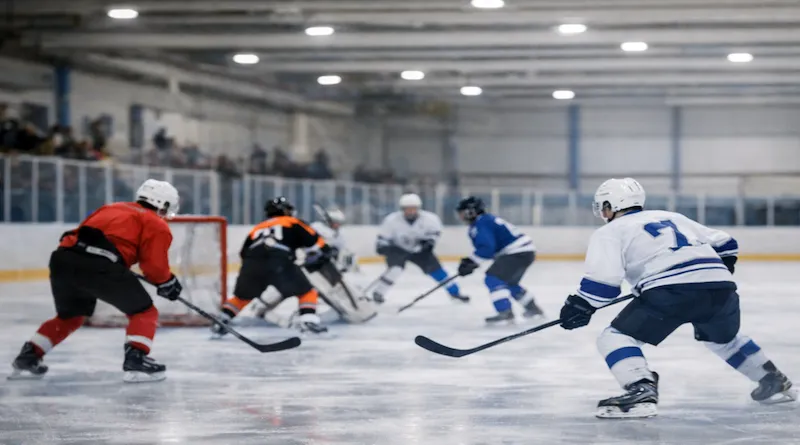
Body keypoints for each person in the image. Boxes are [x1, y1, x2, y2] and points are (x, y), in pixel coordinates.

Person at [558, 177, 796, 419]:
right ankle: (772, 379)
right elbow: (726, 243)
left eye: (604, 206)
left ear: (611, 205)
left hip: (671, 292)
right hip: (721, 288)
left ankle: (641, 389)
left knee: (613, 338)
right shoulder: (673, 217)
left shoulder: (610, 231)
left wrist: (579, 305)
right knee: (723, 340)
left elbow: (604, 284)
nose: (603, 212)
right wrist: (715, 270)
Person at [9, 179, 182, 383]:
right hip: (99, 265)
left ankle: (29, 357)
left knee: (71, 316)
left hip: (63, 259)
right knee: (144, 311)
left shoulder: (111, 207)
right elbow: (154, 266)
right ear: (163, 204)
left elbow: (85, 233)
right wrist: (167, 282)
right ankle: (136, 361)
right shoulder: (156, 223)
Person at [211, 197, 332, 336]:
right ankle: (308, 322)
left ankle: (221, 321)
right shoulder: (292, 222)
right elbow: (315, 241)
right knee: (306, 292)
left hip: (251, 264)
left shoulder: (257, 228)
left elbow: (244, 253)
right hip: (279, 261)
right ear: (284, 211)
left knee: (241, 297)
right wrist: (327, 251)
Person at [455, 196, 543, 324]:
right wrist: (471, 262)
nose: (461, 216)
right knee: (509, 283)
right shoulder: (486, 220)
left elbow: (487, 248)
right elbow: (490, 249)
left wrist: (471, 262)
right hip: (525, 251)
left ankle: (505, 312)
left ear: (471, 211)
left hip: (516, 252)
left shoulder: (481, 223)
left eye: (462, 213)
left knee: (493, 278)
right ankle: (533, 309)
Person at [370, 193, 469, 304]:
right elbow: (383, 238)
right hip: (398, 250)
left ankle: (455, 293)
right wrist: (383, 246)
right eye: (408, 209)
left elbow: (433, 235)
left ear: (418, 208)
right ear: (402, 209)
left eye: (413, 208)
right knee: (394, 270)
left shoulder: (429, 219)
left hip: (421, 251)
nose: (411, 211)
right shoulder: (391, 220)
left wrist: (427, 245)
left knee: (437, 271)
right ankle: (378, 293)